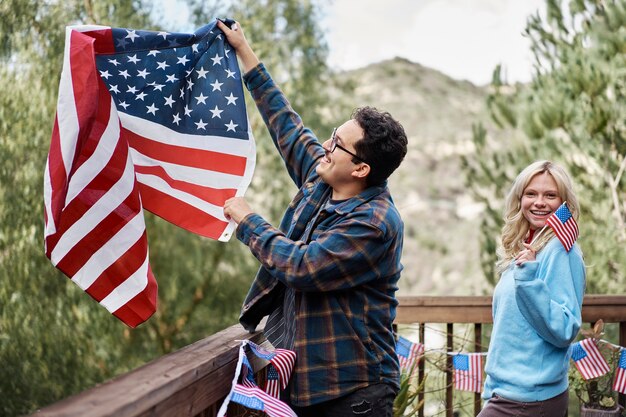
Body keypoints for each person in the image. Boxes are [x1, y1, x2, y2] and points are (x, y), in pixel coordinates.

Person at [218, 19, 408, 417]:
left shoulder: (375, 223)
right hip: (307, 388)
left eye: (337, 144)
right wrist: (243, 51)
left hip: (353, 394)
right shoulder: (323, 178)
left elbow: (302, 267)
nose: (326, 145)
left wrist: (249, 220)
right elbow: (286, 125)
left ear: (360, 170)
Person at [478, 160, 586, 417]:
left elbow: (564, 328)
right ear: (520, 198)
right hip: (505, 392)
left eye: (550, 195)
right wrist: (491, 387)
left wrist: (528, 280)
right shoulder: (525, 248)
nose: (539, 202)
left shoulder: (562, 251)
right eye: (531, 194)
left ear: (563, 203)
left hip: (529, 399)